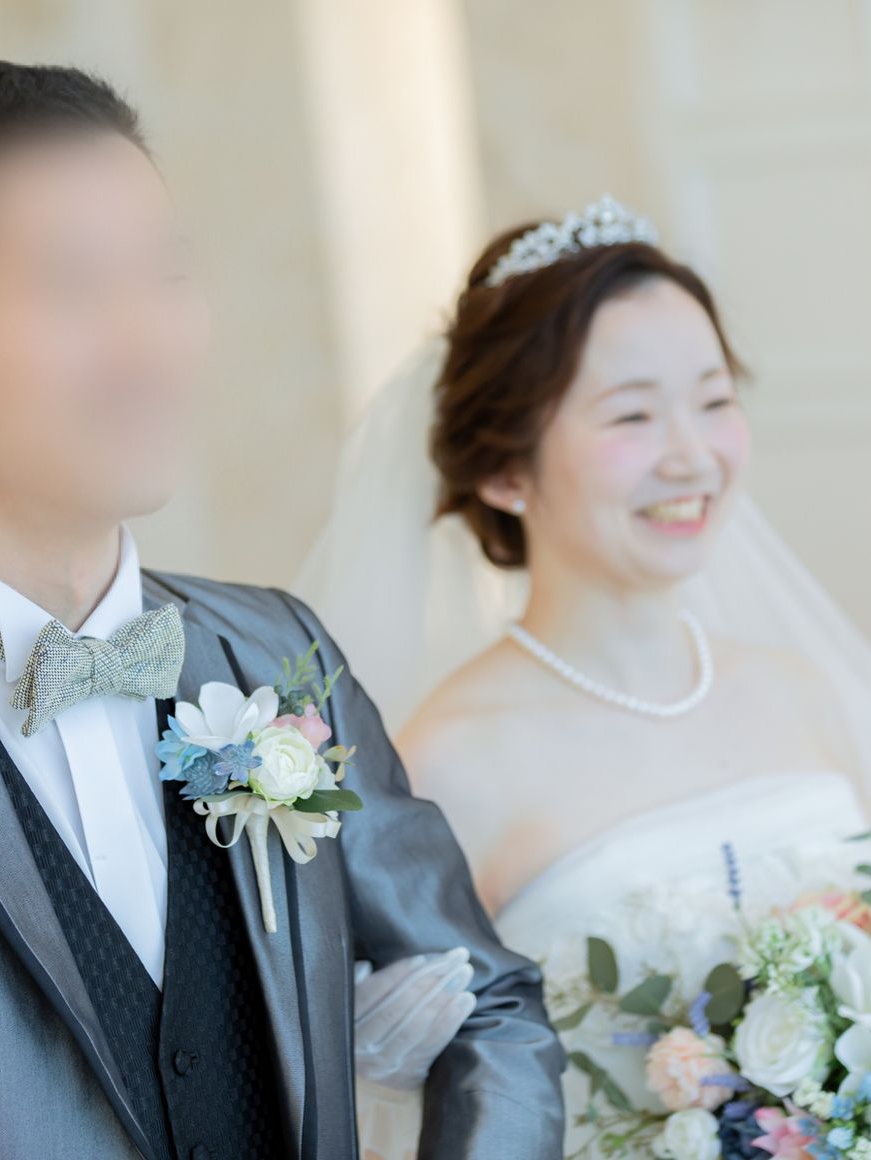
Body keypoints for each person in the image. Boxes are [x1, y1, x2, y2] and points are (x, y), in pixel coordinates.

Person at [0, 60, 565, 1159]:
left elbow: (490, 1006)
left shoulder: (277, 652)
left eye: (166, 273)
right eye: (71, 287)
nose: (148, 340)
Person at [298, 197, 871, 1157]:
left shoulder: (801, 689)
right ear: (504, 470)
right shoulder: (441, 767)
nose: (692, 455)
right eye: (633, 414)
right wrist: (384, 1070)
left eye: (714, 400)